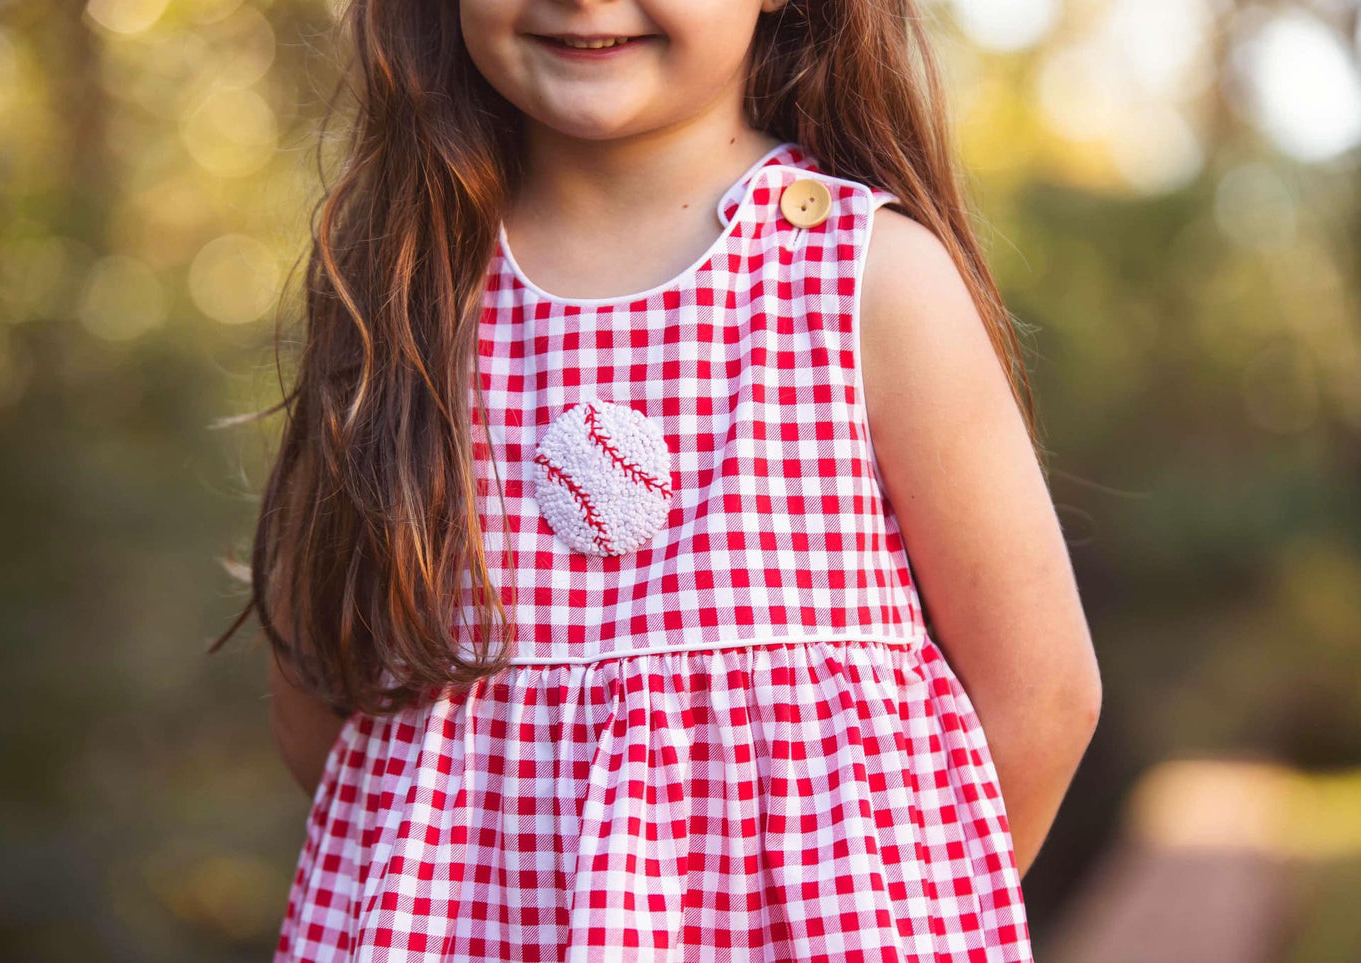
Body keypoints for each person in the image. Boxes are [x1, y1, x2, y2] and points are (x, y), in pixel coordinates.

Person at [213, 0, 1104, 958]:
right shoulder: (402, 294)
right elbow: (320, 689)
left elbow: (1040, 696)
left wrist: (882, 917)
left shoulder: (867, 280)